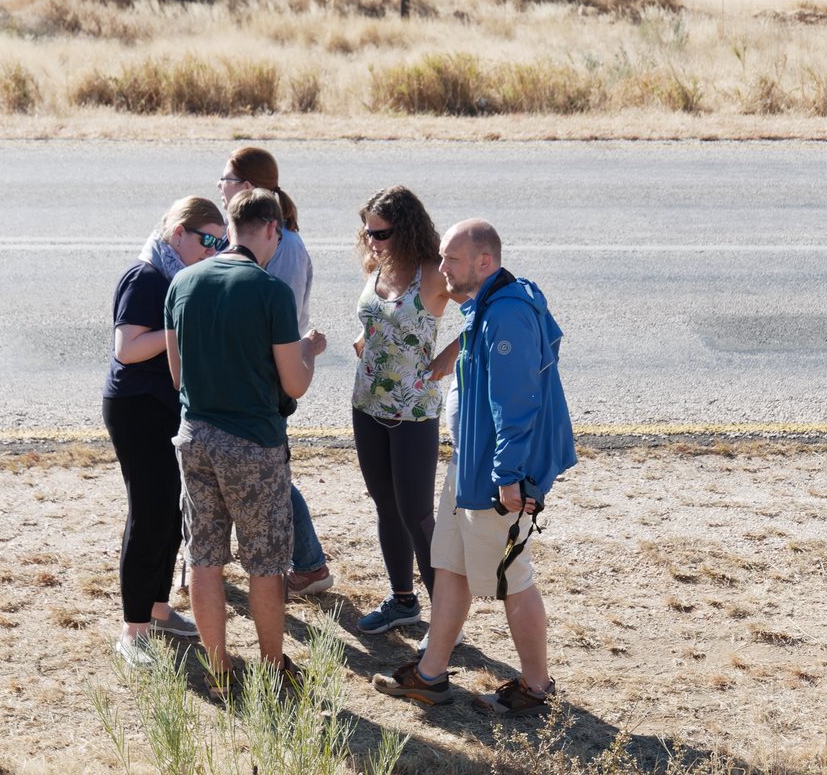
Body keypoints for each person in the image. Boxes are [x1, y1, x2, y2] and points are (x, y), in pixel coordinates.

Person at [372, 219, 577, 716]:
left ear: (484, 263)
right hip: (470, 463)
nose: (441, 270)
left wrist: (508, 475)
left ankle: (536, 689)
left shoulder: (505, 314)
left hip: (494, 473)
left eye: (452, 260)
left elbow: (517, 402)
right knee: (451, 568)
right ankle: (430, 675)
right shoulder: (488, 304)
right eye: (441, 258)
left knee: (511, 579)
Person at [165, 188, 327, 698]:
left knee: (205, 557)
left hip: (195, 437)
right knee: (265, 562)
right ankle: (273, 667)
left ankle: (220, 669)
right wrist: (311, 350)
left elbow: (176, 374)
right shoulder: (271, 292)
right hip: (253, 443)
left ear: (231, 228)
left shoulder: (183, 282)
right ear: (272, 230)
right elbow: (294, 382)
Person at [103, 196, 227, 666]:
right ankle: (132, 631)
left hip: (164, 405)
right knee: (148, 513)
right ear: (178, 233)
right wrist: (179, 330)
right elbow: (128, 349)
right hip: (136, 407)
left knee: (171, 512)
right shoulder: (147, 276)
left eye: (222, 241)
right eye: (208, 239)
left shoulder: (178, 276)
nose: (214, 250)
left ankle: (157, 610)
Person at [217, 147, 332, 595]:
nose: (220, 187)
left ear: (247, 188)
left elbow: (274, 318)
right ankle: (308, 563)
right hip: (261, 371)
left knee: (273, 473)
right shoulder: (275, 238)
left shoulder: (282, 245)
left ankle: (309, 564)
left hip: (265, 374)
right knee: (268, 470)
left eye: (226, 179)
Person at [351, 185, 462, 635]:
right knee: (385, 506)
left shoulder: (433, 274)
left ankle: (446, 621)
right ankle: (402, 601)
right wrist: (367, 340)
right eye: (368, 232)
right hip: (367, 403)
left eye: (381, 233)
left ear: (407, 228)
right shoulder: (379, 263)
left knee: (417, 514)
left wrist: (452, 353)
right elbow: (381, 317)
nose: (372, 240)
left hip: (414, 411)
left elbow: (488, 310)